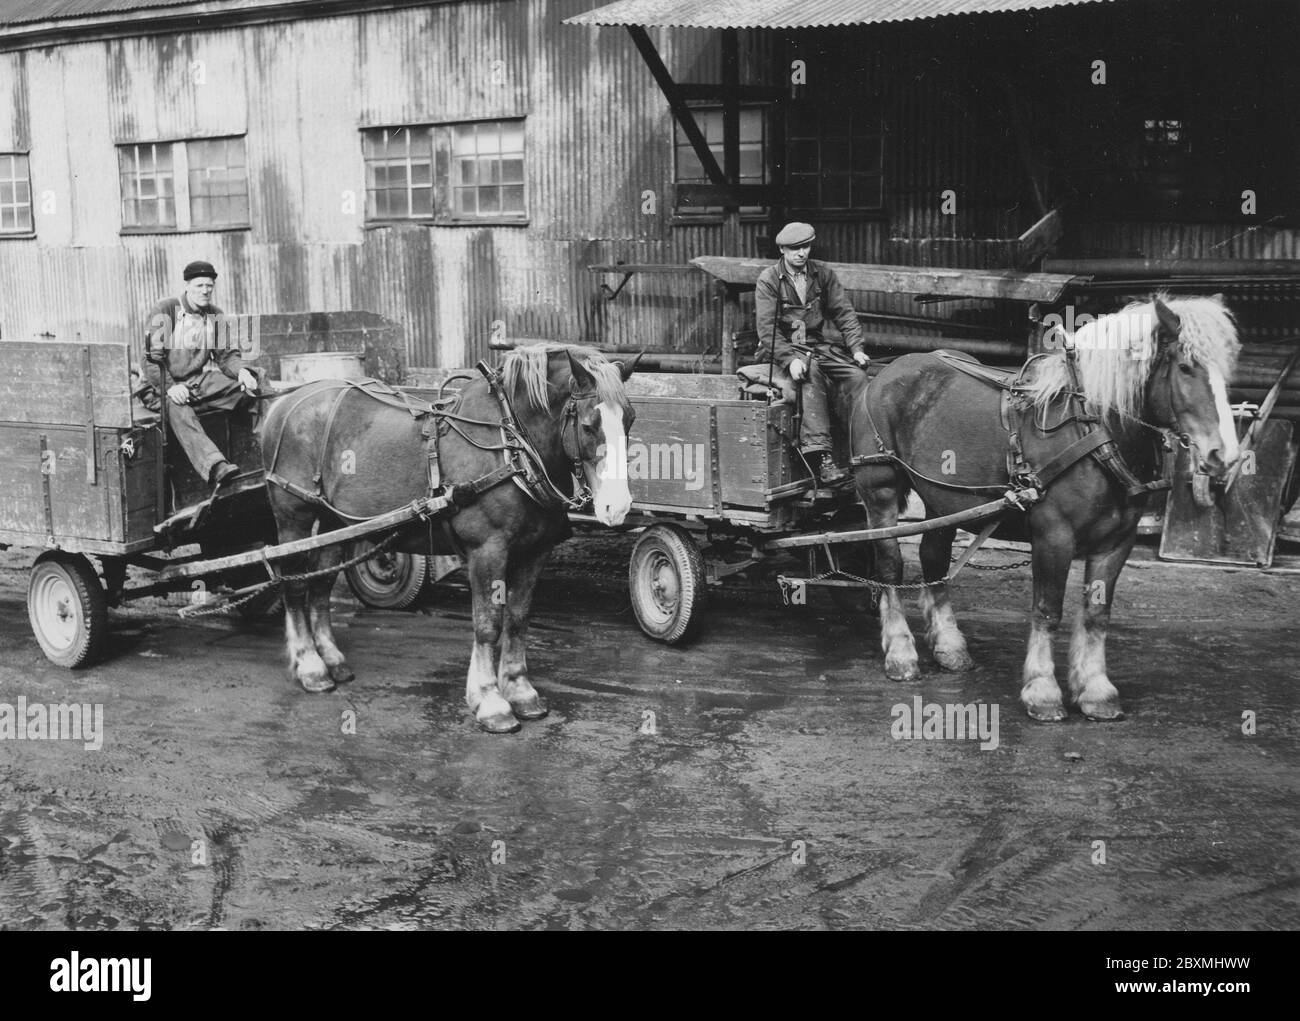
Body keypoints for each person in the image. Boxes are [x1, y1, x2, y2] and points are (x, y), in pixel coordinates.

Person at [754, 222, 870, 485]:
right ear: (782, 249)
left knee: (856, 377)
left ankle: (859, 450)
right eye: (794, 248)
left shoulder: (822, 274)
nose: (801, 253)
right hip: (782, 349)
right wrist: (789, 359)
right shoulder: (769, 280)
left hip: (818, 347)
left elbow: (844, 313)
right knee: (810, 372)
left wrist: (857, 348)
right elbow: (766, 329)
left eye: (805, 246)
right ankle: (822, 459)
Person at [134, 260, 258, 486]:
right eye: (199, 285)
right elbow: (151, 360)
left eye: (209, 286)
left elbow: (226, 356)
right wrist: (171, 387)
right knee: (177, 405)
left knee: (253, 385)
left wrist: (242, 373)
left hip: (195, 382)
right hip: (159, 386)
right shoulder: (166, 310)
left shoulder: (215, 315)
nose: (205, 291)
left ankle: (265, 448)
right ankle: (215, 466)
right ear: (188, 286)